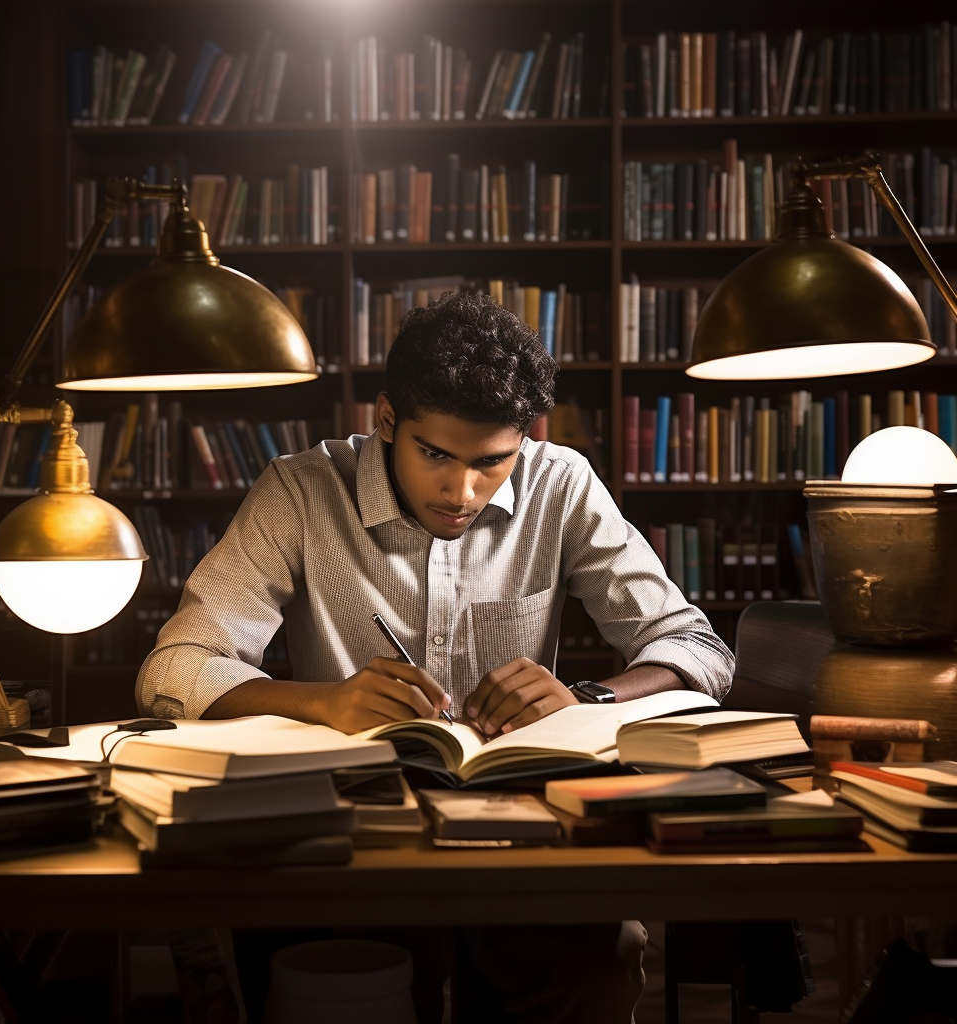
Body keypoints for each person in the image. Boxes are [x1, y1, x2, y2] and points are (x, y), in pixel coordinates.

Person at [137, 290, 735, 1023]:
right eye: (435, 455)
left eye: (492, 463)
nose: (461, 492)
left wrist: (591, 698)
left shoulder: (561, 483)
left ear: (526, 438)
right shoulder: (300, 490)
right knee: (353, 965)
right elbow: (174, 666)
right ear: (387, 419)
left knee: (596, 959)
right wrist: (322, 701)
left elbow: (696, 647)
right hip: (357, 827)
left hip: (526, 822)